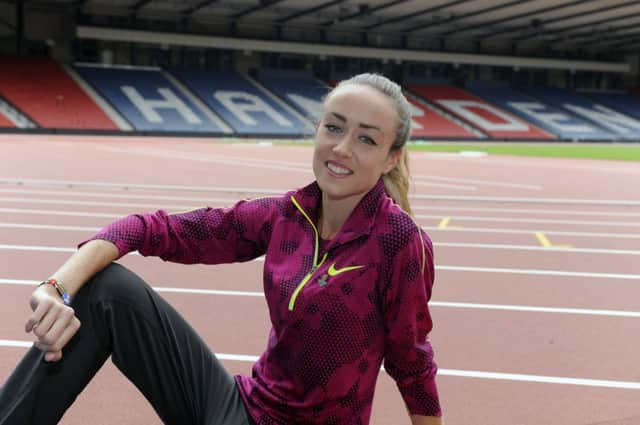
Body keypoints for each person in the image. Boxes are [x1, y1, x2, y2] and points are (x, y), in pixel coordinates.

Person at [0, 73, 442, 425]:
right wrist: (55, 287)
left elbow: (412, 364)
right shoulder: (286, 215)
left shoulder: (398, 242)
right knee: (108, 291)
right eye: (333, 127)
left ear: (391, 157)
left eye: (366, 138)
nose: (341, 148)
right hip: (242, 409)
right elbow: (151, 229)